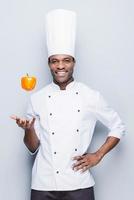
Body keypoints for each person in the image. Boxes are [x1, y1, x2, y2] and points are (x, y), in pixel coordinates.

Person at [11, 9, 126, 200]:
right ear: (49, 64)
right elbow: (32, 148)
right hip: (42, 184)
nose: (60, 66)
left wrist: (97, 155)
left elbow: (118, 126)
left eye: (66, 60)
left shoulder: (91, 96)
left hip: (79, 184)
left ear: (74, 62)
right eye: (54, 61)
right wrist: (28, 129)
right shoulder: (37, 98)